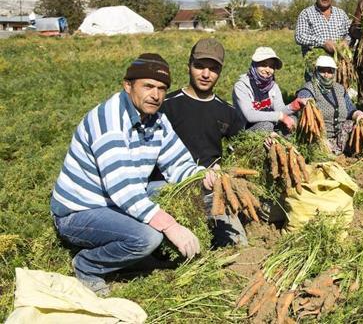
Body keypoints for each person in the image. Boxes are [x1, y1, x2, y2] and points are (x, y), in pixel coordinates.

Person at [51, 53, 217, 296]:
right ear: (128, 85)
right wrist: (170, 226)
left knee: (185, 193)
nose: (156, 95)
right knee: (148, 237)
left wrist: (199, 176)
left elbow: (177, 162)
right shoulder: (108, 122)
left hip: (118, 198)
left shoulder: (157, 120)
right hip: (80, 211)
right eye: (148, 86)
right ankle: (87, 265)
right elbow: (123, 189)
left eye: (162, 88)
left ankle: (131, 253)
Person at [158, 38, 248, 247]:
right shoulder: (167, 106)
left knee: (238, 245)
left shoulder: (227, 112)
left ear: (220, 72)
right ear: (188, 65)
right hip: (171, 188)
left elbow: (243, 147)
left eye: (213, 69)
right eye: (199, 66)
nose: (206, 74)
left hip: (211, 191)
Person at [295, 55, 363, 154]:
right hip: (318, 137)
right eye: (323, 71)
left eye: (330, 71)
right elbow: (305, 115)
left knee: (360, 129)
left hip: (342, 135)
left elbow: (350, 110)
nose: (326, 75)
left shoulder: (339, 88)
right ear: (316, 71)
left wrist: (359, 115)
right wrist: (321, 139)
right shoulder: (308, 89)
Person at [233, 47, 305, 132]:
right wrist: (279, 116)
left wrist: (293, 106)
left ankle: (285, 145)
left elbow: (279, 110)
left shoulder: (273, 86)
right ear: (254, 65)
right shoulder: (241, 86)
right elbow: (249, 115)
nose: (267, 70)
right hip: (246, 130)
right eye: (263, 65)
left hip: (269, 128)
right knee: (266, 125)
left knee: (293, 119)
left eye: (271, 67)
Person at [295, 0, 351, 80]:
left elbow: (349, 33)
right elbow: (300, 37)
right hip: (316, 67)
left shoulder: (341, 14)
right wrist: (323, 43)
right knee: (316, 93)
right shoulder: (306, 13)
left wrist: (346, 41)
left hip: (338, 66)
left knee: (338, 92)